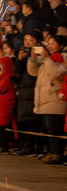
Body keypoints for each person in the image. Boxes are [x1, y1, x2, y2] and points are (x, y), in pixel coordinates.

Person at [27, 35, 67, 164]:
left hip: (55, 99)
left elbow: (57, 74)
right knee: (46, 128)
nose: (49, 46)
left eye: (52, 43)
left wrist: (47, 59)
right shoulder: (46, 60)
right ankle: (50, 151)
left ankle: (57, 153)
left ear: (61, 45)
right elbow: (33, 72)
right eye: (48, 43)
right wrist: (33, 59)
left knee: (55, 128)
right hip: (43, 98)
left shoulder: (63, 58)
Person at [12, 30, 44, 155]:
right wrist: (19, 59)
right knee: (23, 120)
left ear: (37, 41)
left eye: (31, 40)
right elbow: (16, 74)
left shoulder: (41, 54)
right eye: (26, 40)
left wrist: (34, 58)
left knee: (32, 120)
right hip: (23, 89)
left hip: (34, 89)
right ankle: (24, 145)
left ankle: (33, 146)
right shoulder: (22, 53)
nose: (28, 43)